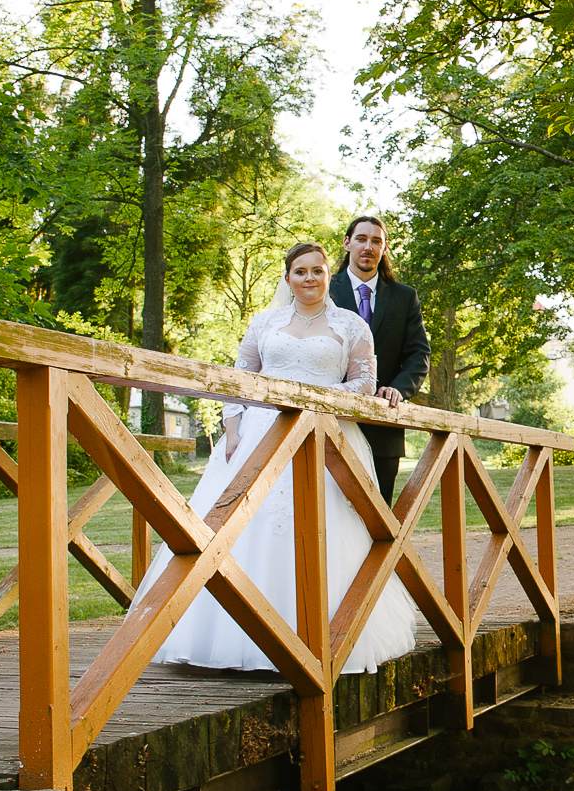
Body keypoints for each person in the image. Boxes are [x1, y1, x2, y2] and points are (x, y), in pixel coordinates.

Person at [141, 241, 420, 675]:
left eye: (318, 271)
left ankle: (324, 632)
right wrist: (233, 427)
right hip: (259, 434)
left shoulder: (350, 326)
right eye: (301, 271)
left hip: (325, 437)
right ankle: (228, 633)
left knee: (324, 529)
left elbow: (365, 382)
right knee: (237, 527)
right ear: (288, 278)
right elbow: (240, 375)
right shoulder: (265, 322)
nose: (310, 278)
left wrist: (312, 398)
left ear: (329, 275)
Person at [328, 215, 431, 505]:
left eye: (376, 241)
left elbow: (418, 353)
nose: (368, 247)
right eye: (361, 239)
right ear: (347, 243)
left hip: (383, 429)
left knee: (379, 518)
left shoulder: (404, 297)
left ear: (384, 249)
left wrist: (399, 388)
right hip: (330, 423)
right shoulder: (324, 292)